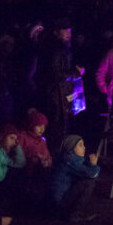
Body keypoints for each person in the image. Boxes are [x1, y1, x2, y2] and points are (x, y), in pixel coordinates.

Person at [37, 18, 84, 152]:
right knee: (56, 127)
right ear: (57, 32)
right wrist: (75, 72)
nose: (69, 33)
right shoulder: (56, 50)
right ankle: (54, 155)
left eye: (69, 31)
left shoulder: (62, 49)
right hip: (55, 95)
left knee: (60, 126)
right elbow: (56, 74)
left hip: (60, 94)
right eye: (65, 31)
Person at [48, 134, 100, 222]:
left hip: (55, 202)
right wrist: (93, 165)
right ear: (71, 148)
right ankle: (75, 213)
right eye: (80, 145)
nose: (84, 147)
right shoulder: (70, 161)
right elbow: (92, 174)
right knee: (88, 182)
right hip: (58, 204)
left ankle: (71, 211)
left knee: (84, 179)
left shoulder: (70, 159)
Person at [17, 110, 52, 199]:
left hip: (39, 174)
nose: (42, 129)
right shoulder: (22, 136)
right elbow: (17, 156)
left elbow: (48, 156)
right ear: (32, 124)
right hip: (24, 172)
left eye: (44, 126)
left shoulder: (41, 141)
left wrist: (47, 161)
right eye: (39, 126)